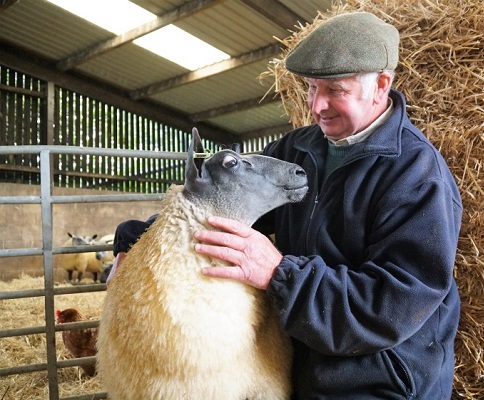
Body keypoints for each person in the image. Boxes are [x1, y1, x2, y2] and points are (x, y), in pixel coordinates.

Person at [111, 12, 463, 399]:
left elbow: (390, 306)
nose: (317, 106)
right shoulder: (300, 149)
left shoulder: (416, 175)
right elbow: (222, 206)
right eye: (312, 88)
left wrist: (279, 272)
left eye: (335, 91)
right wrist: (136, 244)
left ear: (381, 85)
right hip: (302, 363)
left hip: (377, 378)